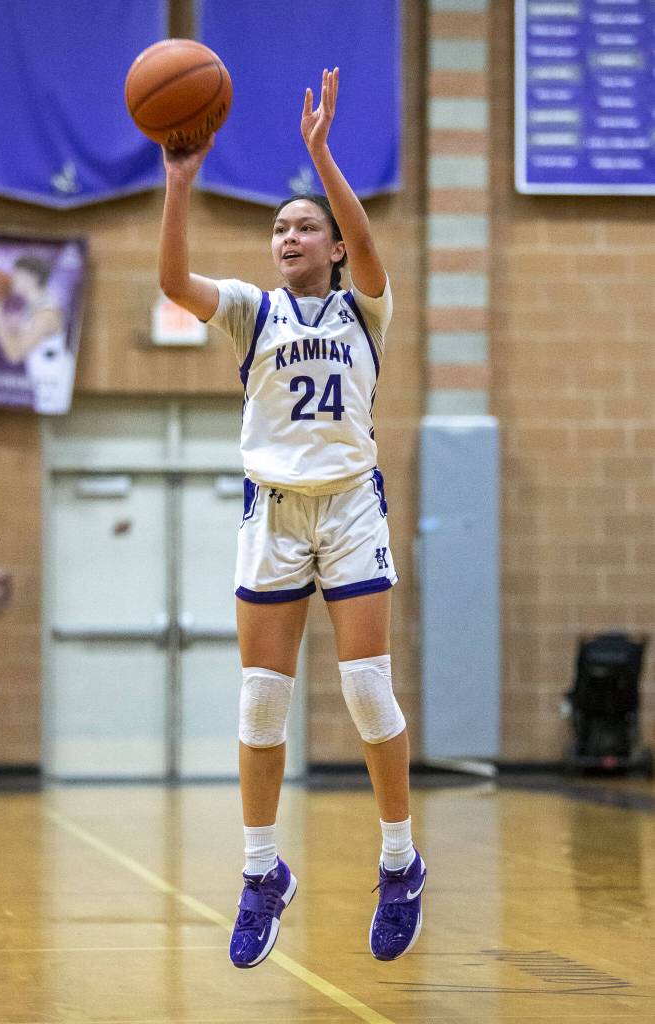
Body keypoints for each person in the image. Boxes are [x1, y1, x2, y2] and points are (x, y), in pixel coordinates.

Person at [159, 67, 426, 969]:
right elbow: (172, 281)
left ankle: (401, 862)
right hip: (272, 513)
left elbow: (368, 237)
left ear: (335, 247)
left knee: (366, 688)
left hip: (349, 507)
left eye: (304, 226)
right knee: (261, 701)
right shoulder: (253, 311)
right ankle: (260, 873)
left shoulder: (365, 307)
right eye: (279, 227)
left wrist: (322, 154)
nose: (288, 236)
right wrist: (179, 182)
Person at [0, 255, 73, 414]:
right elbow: (16, 330)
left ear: (32, 277)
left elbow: (14, 354)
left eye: (17, 273)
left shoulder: (46, 314)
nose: (12, 278)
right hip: (43, 382)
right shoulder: (34, 307)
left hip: (55, 385)